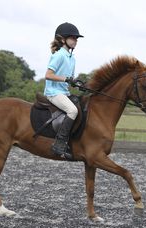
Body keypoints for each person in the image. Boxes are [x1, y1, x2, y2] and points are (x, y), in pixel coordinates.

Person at [44, 22, 84, 159]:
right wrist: (66, 79)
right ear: (63, 40)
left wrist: (77, 84)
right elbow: (48, 75)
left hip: (64, 92)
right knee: (73, 110)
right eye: (73, 38)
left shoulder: (72, 58)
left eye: (76, 39)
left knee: (81, 106)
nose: (75, 41)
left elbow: (70, 79)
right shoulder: (59, 55)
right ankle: (59, 144)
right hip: (53, 92)